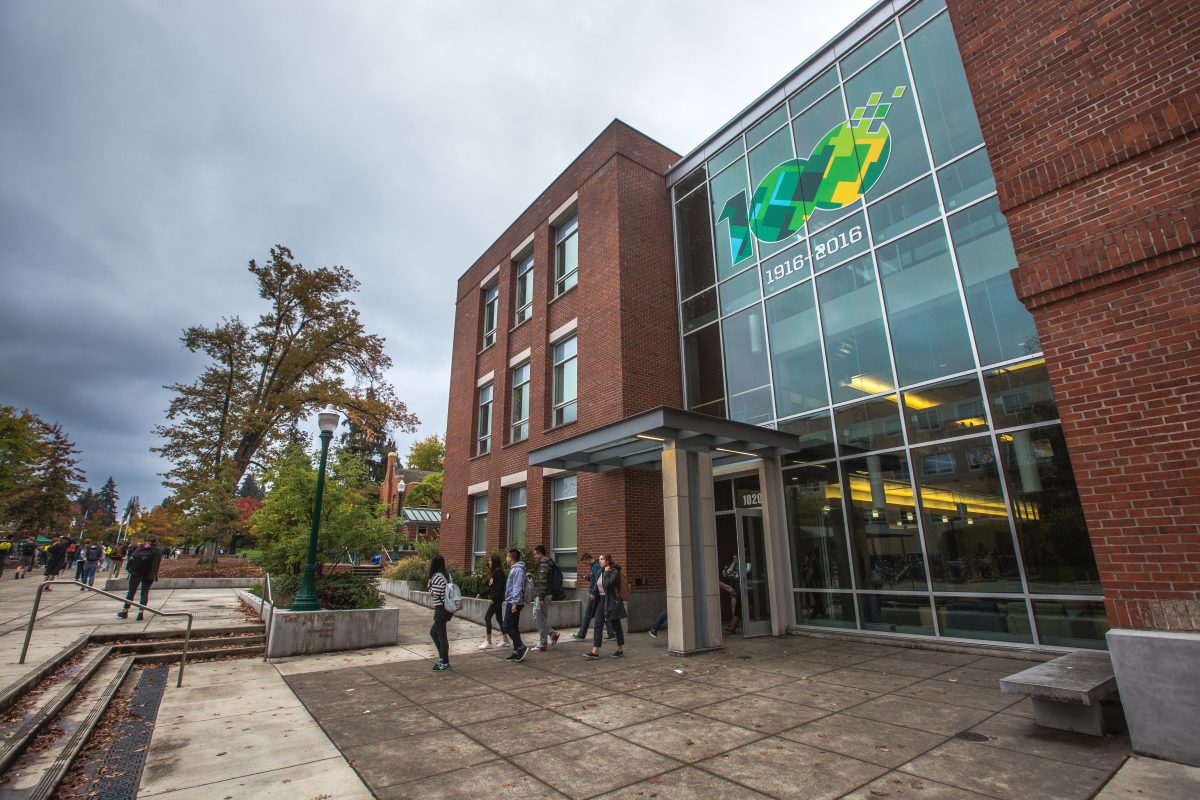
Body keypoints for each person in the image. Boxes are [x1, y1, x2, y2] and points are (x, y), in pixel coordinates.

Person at [582, 554, 626, 659]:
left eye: (602, 559)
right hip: (601, 600)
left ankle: (620, 650)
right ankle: (595, 651)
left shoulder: (614, 571)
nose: (599, 561)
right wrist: (593, 593)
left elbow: (608, 584)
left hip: (611, 600)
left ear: (607, 561)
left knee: (616, 624)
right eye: (600, 559)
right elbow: (597, 585)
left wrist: (606, 572)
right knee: (598, 624)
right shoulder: (600, 571)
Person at [571, 552, 616, 642]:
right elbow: (596, 578)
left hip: (596, 595)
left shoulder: (595, 566)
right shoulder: (596, 566)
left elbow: (597, 581)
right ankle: (611, 634)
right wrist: (588, 578)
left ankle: (581, 635)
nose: (585, 564)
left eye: (585, 562)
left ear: (588, 559)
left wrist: (592, 593)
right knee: (604, 614)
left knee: (588, 614)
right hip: (601, 595)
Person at [117, 536, 162, 620]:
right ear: (156, 541)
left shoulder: (141, 547)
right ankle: (140, 613)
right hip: (149, 574)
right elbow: (158, 563)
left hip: (136, 573)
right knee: (145, 593)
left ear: (146, 540)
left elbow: (131, 558)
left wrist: (129, 569)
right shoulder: (158, 550)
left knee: (131, 592)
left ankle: (125, 611)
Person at [529, 545, 559, 652]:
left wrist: (541, 598)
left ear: (540, 554)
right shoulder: (545, 563)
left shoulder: (544, 564)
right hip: (543, 595)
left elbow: (542, 581)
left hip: (543, 595)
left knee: (540, 618)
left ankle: (542, 643)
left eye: (535, 554)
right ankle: (552, 633)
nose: (534, 556)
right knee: (538, 617)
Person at [426, 554, 453, 671]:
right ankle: (442, 658)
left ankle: (444, 662)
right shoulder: (448, 575)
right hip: (447, 608)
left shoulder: (436, 577)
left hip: (440, 609)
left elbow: (436, 593)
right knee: (434, 633)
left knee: (441, 636)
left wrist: (429, 586)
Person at [502, 549, 529, 662]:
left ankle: (521, 647)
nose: (506, 558)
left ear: (511, 558)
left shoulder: (517, 570)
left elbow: (517, 587)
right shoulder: (515, 569)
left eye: (507, 556)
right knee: (513, 627)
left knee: (507, 626)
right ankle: (516, 652)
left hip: (514, 602)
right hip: (513, 601)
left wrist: (514, 602)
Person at [478, 553, 510, 650]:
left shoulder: (498, 572)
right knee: (499, 619)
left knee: (487, 618)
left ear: (495, 561)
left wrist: (493, 599)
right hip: (496, 599)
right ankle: (506, 640)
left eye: (491, 560)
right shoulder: (495, 572)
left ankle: (488, 641)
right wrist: (481, 593)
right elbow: (491, 587)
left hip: (497, 600)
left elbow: (499, 588)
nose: (489, 562)